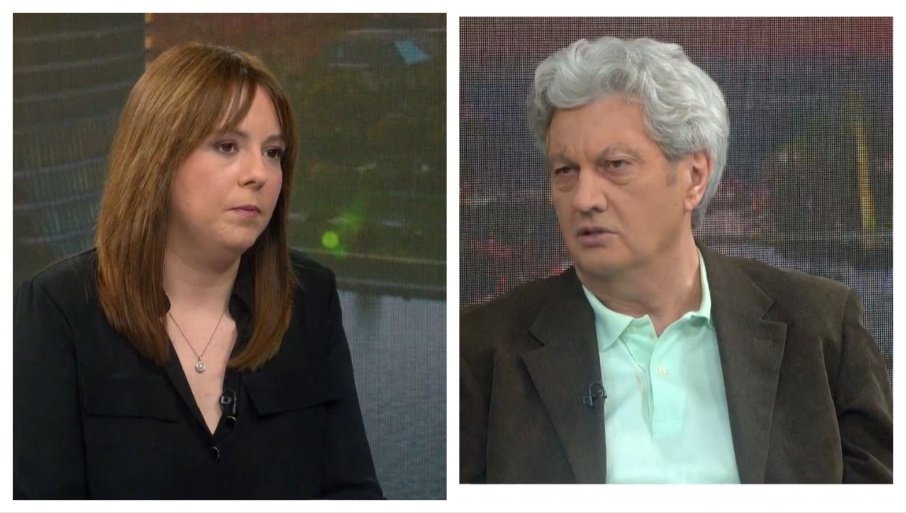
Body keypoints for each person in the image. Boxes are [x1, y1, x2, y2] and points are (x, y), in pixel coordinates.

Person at [460, 36, 892, 484]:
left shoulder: (821, 330)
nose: (585, 199)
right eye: (565, 171)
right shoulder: (480, 352)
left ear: (694, 178)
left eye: (616, 165)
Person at [14, 42, 383, 499]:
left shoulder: (309, 298)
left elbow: (352, 490)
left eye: (273, 152)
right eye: (227, 146)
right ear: (158, 158)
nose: (259, 173)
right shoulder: (60, 309)